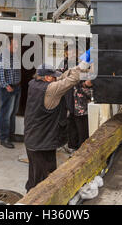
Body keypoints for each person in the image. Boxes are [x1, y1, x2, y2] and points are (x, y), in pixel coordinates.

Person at [23, 53, 92, 192]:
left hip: (36, 139)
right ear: (47, 78)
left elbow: (62, 77)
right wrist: (84, 66)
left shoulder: (34, 84)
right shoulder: (51, 90)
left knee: (45, 174)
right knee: (38, 182)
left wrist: (77, 66)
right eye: (53, 76)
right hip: (40, 143)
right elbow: (71, 80)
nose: (56, 77)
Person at [0, 37, 21, 149]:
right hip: (8, 89)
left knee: (13, 113)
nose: (16, 47)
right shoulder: (2, 57)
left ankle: (11, 135)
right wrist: (6, 86)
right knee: (6, 114)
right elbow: (0, 74)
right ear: (8, 45)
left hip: (16, 87)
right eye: (14, 45)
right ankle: (4, 138)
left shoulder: (14, 56)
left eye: (17, 45)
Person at [73, 80, 93, 149]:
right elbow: (92, 95)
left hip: (81, 112)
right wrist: (87, 85)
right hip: (82, 113)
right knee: (83, 136)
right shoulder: (79, 87)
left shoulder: (77, 84)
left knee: (83, 135)